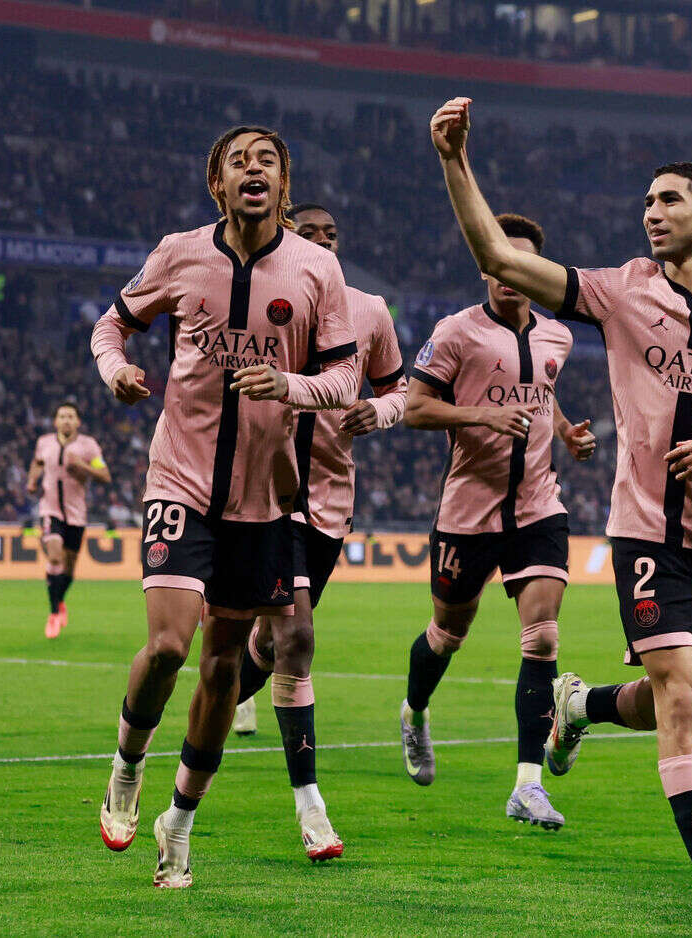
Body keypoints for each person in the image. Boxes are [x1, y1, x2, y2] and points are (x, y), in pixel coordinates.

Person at [429, 97, 692, 935]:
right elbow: (497, 255)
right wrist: (454, 161)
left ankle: (575, 707)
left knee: (666, 706)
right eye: (646, 203)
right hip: (648, 532)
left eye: (668, 201)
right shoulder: (618, 292)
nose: (651, 214)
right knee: (680, 699)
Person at [89, 125, 358, 888]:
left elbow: (344, 379)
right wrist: (115, 368)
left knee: (221, 668)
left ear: (283, 182)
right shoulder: (179, 252)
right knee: (171, 647)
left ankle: (179, 825)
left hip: (266, 502)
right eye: (238, 161)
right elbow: (113, 323)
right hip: (180, 481)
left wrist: (291, 388)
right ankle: (127, 761)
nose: (253, 170)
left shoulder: (317, 270)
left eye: (266, 161)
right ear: (217, 183)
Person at [397, 212, 596, 831]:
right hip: (469, 512)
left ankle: (526, 786)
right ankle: (415, 711)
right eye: (499, 262)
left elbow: (541, 387)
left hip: (538, 506)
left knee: (542, 638)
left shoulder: (558, 336)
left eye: (521, 264)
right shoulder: (457, 332)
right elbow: (414, 407)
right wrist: (482, 418)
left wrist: (563, 430)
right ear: (486, 265)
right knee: (446, 633)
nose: (509, 275)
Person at [229, 201, 409, 862]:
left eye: (333, 234)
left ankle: (214, 712)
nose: (324, 242)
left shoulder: (370, 311)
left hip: (332, 503)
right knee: (298, 637)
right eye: (310, 233)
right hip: (267, 496)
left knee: (271, 644)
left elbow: (402, 388)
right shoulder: (255, 301)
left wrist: (379, 411)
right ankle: (312, 809)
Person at [26, 402, 109, 638]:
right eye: (62, 416)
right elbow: (37, 463)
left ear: (78, 422)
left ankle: (60, 600)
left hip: (76, 514)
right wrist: (32, 481)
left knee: (70, 567)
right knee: (54, 556)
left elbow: (104, 475)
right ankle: (53, 614)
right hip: (50, 510)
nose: (66, 420)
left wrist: (82, 466)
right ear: (55, 422)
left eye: (71, 416)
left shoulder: (88, 446)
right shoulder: (44, 443)